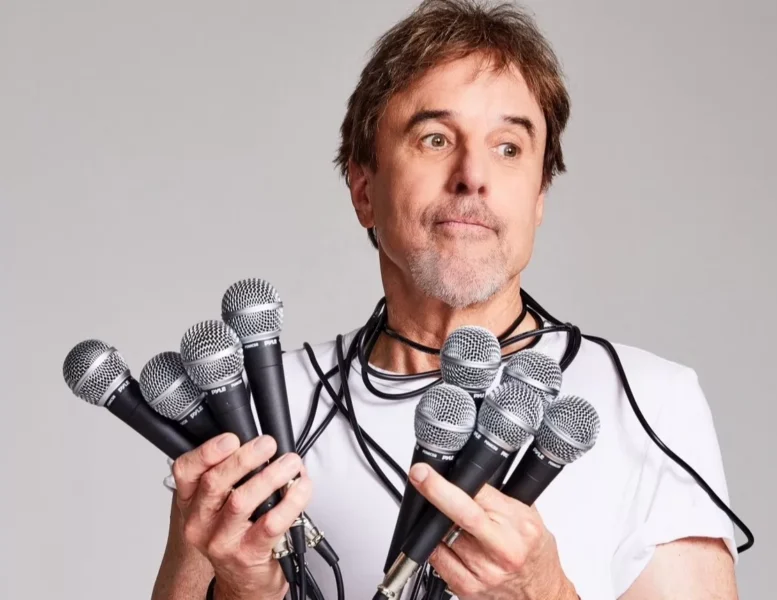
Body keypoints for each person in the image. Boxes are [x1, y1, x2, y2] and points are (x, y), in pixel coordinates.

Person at [151, 1, 739, 598]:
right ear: (364, 191)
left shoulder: (650, 401)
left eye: (509, 147)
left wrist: (546, 592)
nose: (472, 175)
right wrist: (245, 588)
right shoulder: (249, 411)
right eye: (435, 139)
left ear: (538, 198)